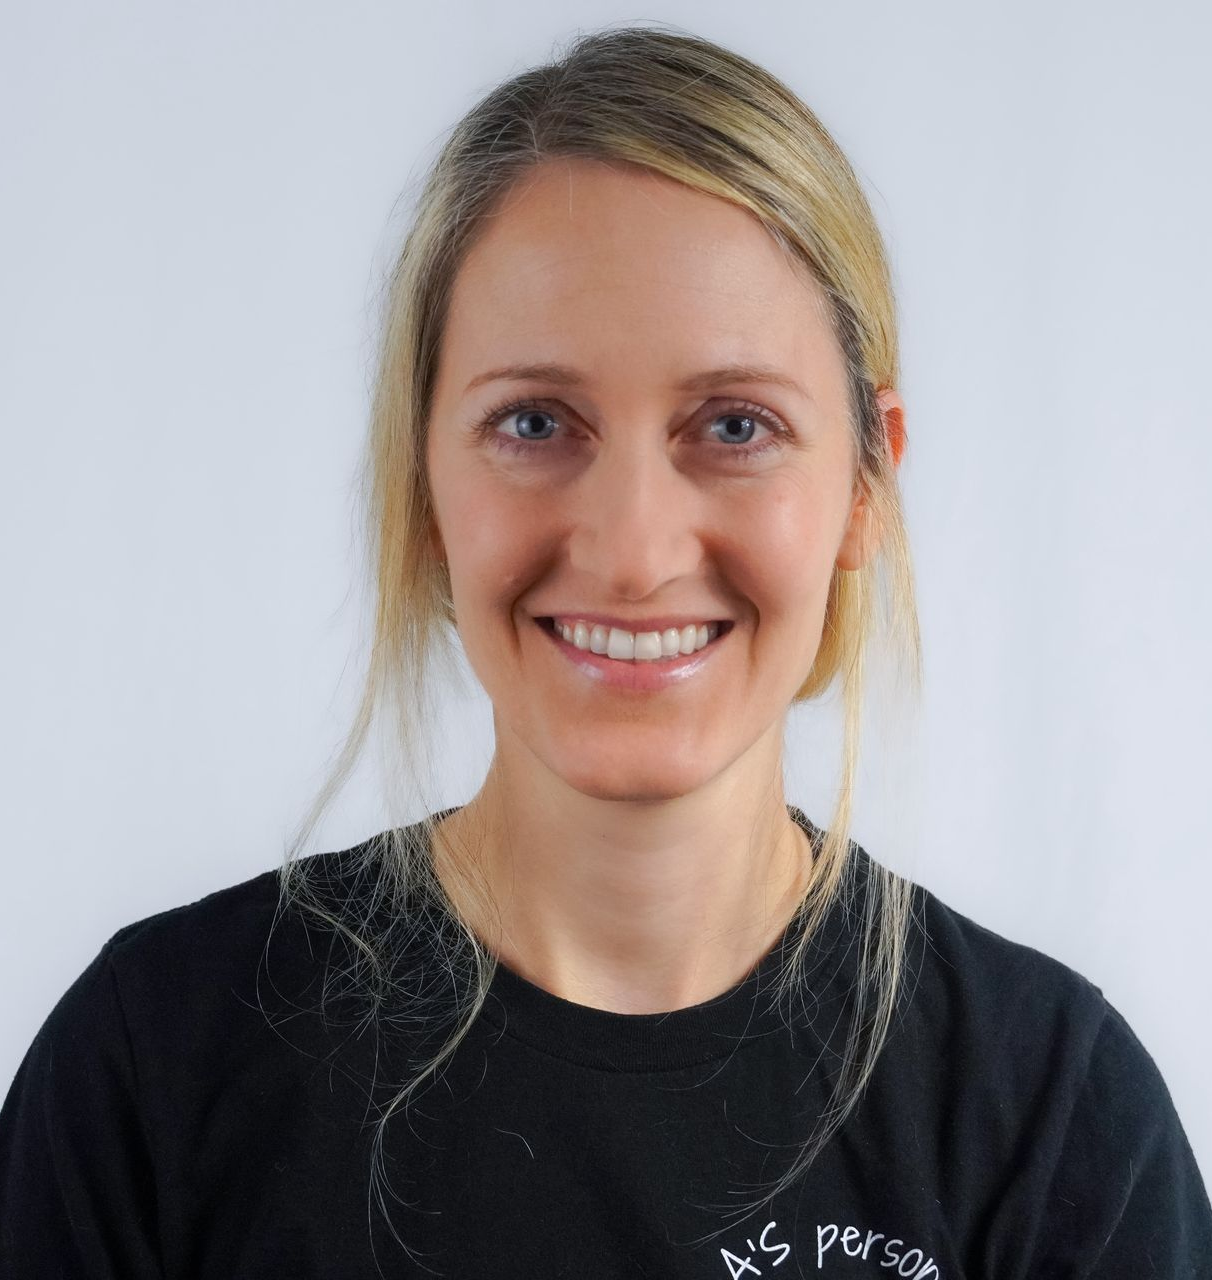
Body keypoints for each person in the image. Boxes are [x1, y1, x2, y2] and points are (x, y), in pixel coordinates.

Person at [1, 23, 1208, 1279]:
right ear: (424, 477)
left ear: (866, 482)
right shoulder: (153, 1067)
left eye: (735, 423)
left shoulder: (1051, 1118)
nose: (633, 550)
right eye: (535, 421)